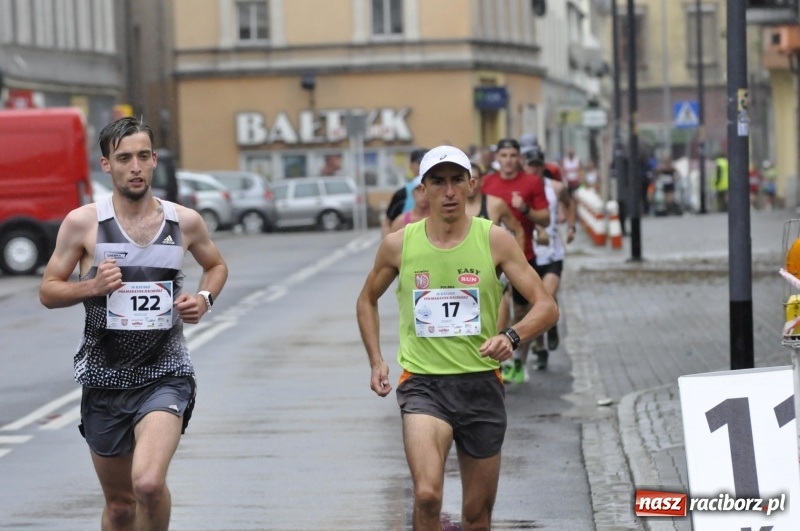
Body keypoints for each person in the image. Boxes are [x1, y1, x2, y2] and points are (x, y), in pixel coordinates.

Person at [39, 117, 228, 531]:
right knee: (122, 507)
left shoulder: (184, 222)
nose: (136, 166)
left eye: (144, 156)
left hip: (166, 373)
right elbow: (49, 291)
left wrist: (203, 299)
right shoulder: (83, 223)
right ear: (107, 165)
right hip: (104, 378)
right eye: (124, 158)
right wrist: (90, 286)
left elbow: (215, 265)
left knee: (147, 484)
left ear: (155, 160)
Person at [356, 145, 558, 531]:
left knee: (475, 515)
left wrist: (511, 337)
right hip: (423, 385)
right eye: (437, 181)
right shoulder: (399, 244)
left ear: (471, 185)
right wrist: (376, 360)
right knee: (427, 495)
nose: (448, 191)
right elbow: (366, 300)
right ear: (423, 189)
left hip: (480, 384)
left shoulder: (494, 240)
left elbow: (546, 306)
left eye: (455, 181)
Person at [482, 138, 550, 384]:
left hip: (525, 256)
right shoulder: (487, 184)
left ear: (519, 158)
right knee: (499, 305)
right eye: (504, 155)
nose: (508, 160)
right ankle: (498, 358)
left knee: (522, 311)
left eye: (513, 155)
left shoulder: (532, 182)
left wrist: (525, 211)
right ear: (497, 158)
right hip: (491, 260)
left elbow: (545, 219)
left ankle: (519, 358)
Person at [524, 147, 576, 370]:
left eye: (538, 165)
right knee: (534, 304)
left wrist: (571, 226)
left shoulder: (555, 188)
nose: (534, 169)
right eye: (530, 165)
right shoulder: (520, 191)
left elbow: (570, 203)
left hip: (553, 253)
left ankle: (552, 325)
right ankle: (541, 347)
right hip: (530, 254)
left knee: (547, 297)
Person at [466, 162, 526, 332]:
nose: (471, 184)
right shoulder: (452, 208)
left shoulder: (495, 204)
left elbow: (518, 229)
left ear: (481, 181)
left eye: (475, 179)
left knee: (501, 311)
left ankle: (497, 349)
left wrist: (517, 262)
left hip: (494, 270)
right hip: (463, 272)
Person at [381, 148, 428, 237]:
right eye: (420, 163)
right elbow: (387, 223)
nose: (423, 167)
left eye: (427, 164)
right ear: (411, 166)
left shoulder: (439, 191)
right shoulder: (401, 194)